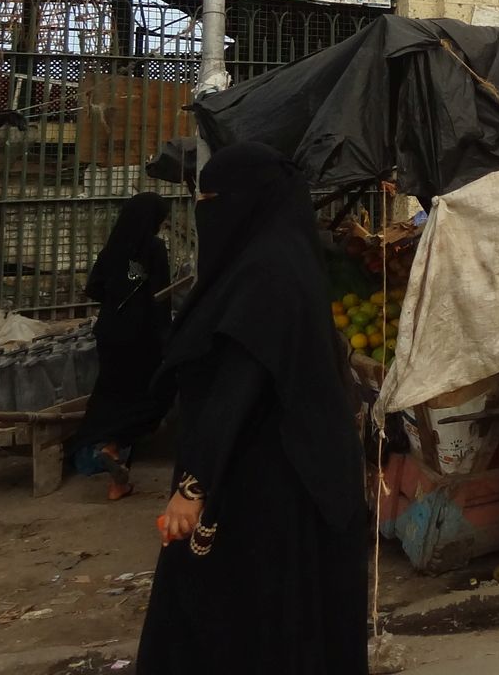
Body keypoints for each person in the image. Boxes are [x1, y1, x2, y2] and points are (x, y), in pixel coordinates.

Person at [137, 143, 369, 675]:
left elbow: (237, 386)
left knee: (235, 615)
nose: (206, 212)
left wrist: (192, 488)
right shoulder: (283, 258)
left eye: (213, 199)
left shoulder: (264, 274)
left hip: (267, 476)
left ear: (244, 202)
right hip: (291, 470)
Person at [73, 192, 173, 501]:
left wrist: (118, 302)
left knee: (113, 394)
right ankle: (115, 446)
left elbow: (94, 287)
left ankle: (117, 477)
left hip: (110, 334)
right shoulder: (154, 249)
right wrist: (165, 336)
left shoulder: (112, 248)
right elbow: (161, 296)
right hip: (143, 336)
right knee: (156, 396)